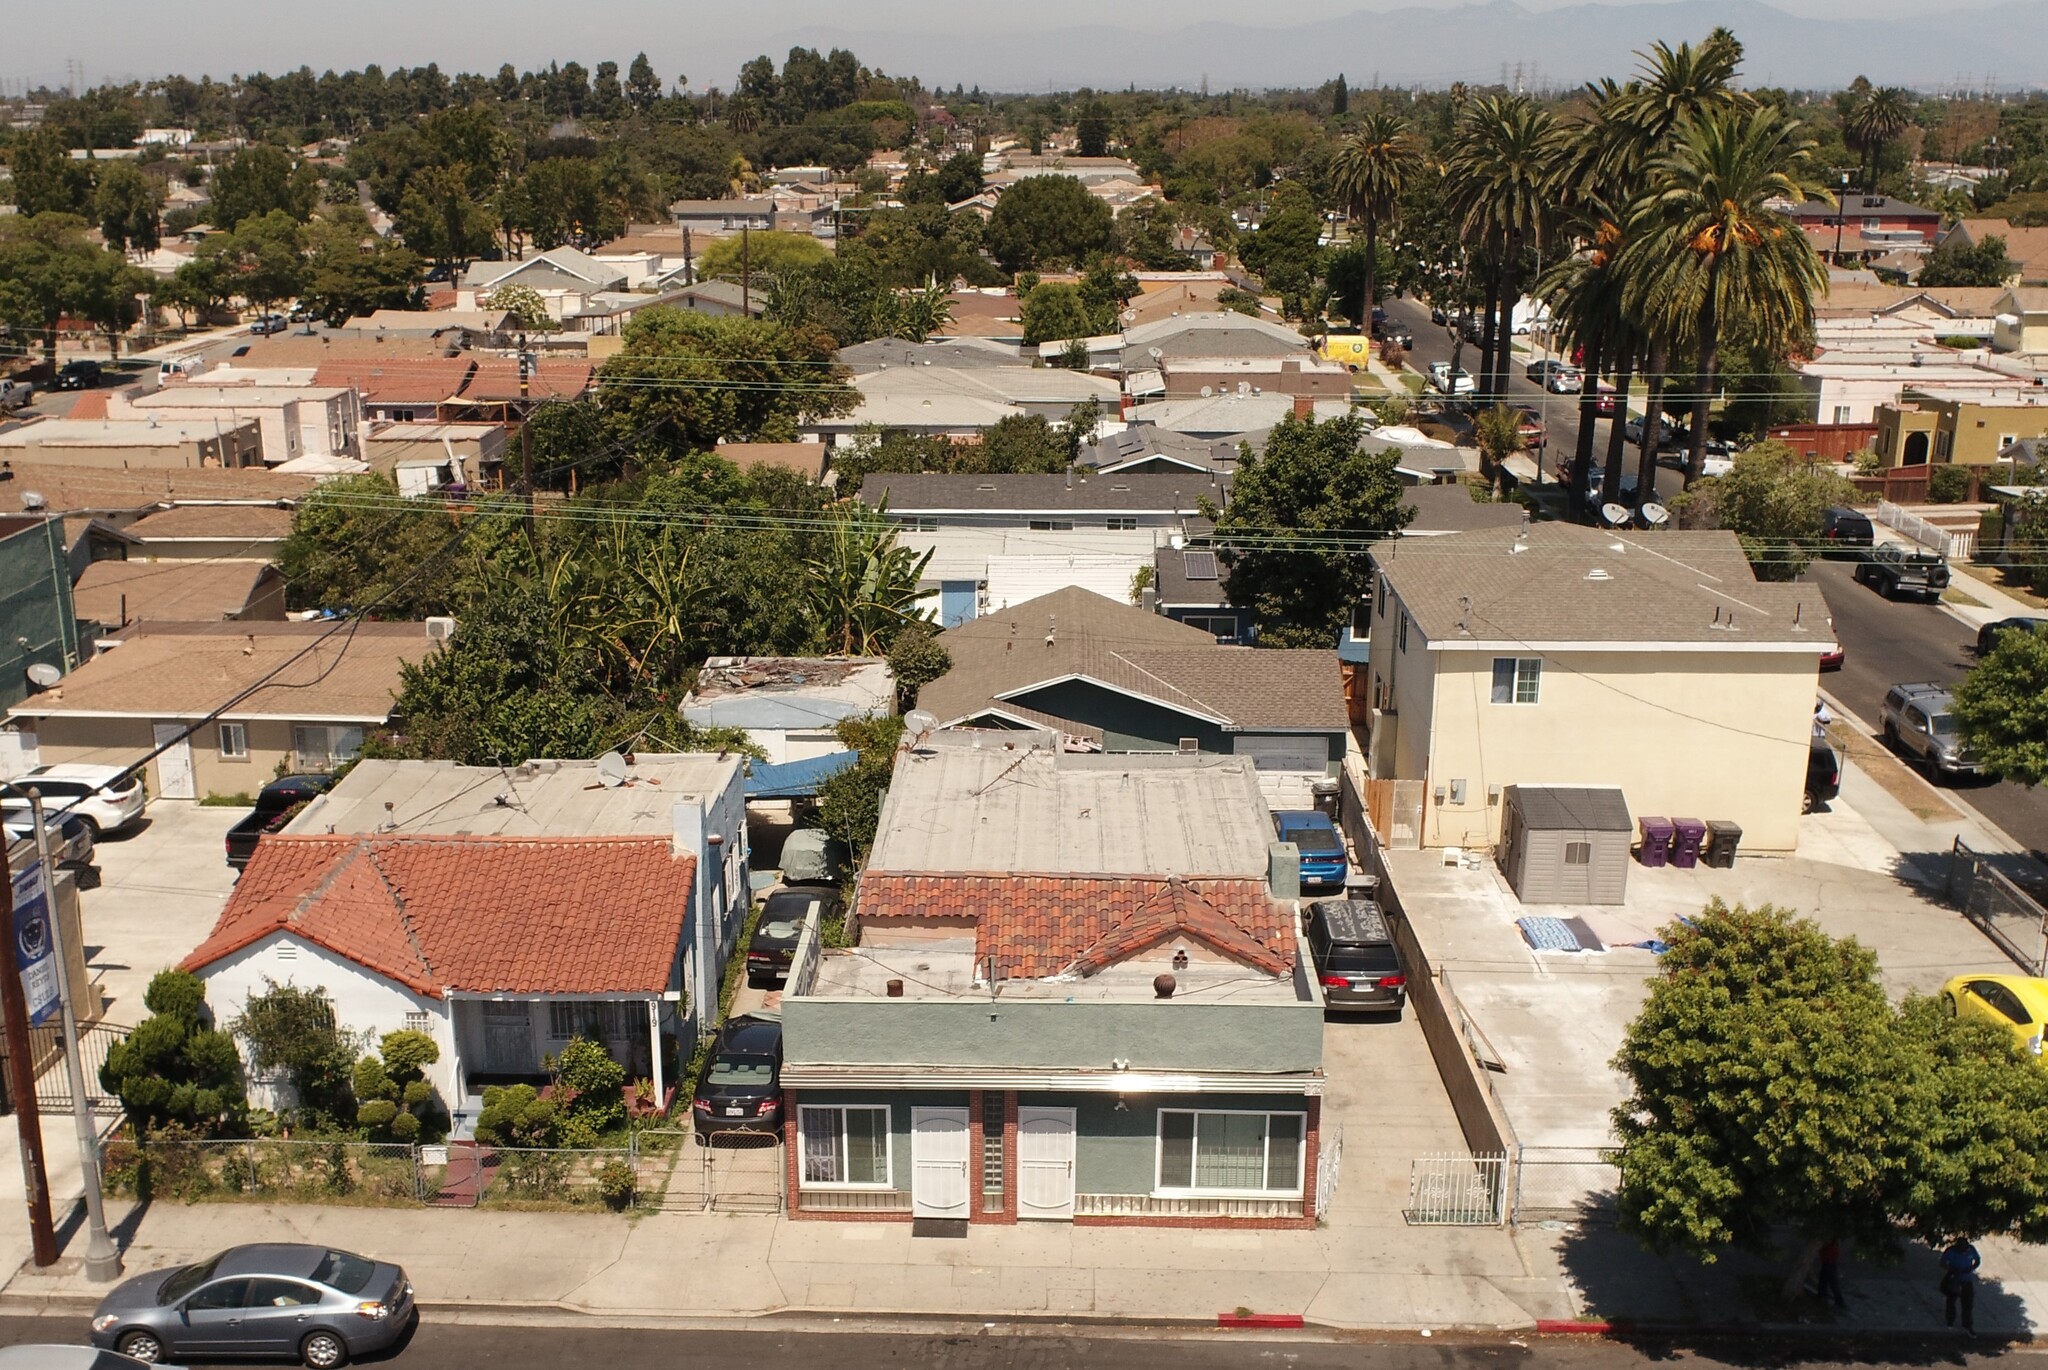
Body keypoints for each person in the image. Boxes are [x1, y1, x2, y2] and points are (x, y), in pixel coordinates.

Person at [1941, 1237, 1981, 1333]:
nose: (1964, 1252)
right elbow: (1942, 1262)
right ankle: (1950, 1321)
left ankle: (1967, 1325)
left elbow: (1977, 1260)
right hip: (1954, 1279)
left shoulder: (1971, 1249)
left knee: (1968, 1304)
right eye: (1962, 1250)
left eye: (1965, 1249)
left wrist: (1971, 1268)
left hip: (1966, 1280)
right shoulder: (1951, 1251)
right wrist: (1952, 1269)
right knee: (1951, 1301)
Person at [1816, 1238, 1846, 1310]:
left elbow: (1824, 1253)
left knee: (1833, 1284)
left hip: (1830, 1264)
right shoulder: (1832, 1245)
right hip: (1828, 1263)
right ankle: (1822, 1295)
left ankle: (1840, 1302)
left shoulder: (1832, 1245)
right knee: (1823, 1281)